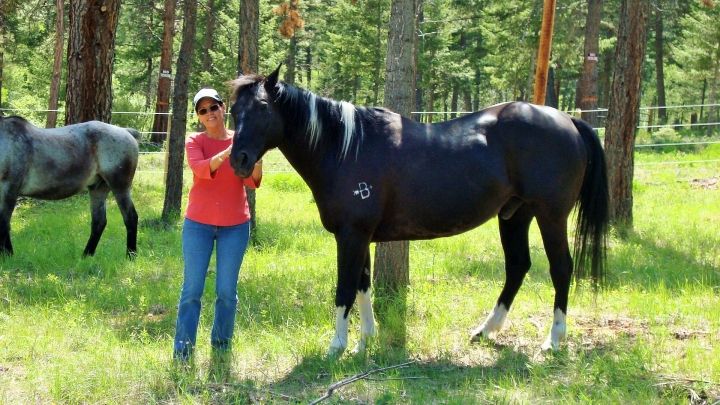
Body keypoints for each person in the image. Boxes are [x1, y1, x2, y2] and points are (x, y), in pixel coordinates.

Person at [173, 88, 263, 361]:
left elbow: (252, 181)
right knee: (192, 290)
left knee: (226, 291)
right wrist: (229, 152)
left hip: (235, 227)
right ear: (198, 117)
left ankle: (221, 347)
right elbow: (201, 169)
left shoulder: (242, 139)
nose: (209, 113)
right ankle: (183, 350)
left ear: (224, 108)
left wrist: (256, 156)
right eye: (203, 110)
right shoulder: (194, 140)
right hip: (198, 225)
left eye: (214, 107)